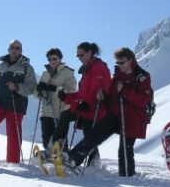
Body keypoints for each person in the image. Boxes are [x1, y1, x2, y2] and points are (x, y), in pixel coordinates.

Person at [63, 47, 153, 176]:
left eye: (122, 62)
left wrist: (124, 91)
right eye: (118, 63)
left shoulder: (142, 76)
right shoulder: (117, 76)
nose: (119, 65)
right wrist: (103, 95)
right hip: (115, 114)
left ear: (131, 60)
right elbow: (111, 95)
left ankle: (127, 175)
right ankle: (73, 159)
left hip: (133, 118)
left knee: (125, 148)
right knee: (95, 135)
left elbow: (143, 99)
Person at [53, 42, 111, 166]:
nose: (79, 58)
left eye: (81, 55)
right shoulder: (87, 70)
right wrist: (67, 97)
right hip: (85, 108)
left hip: (95, 110)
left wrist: (90, 103)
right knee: (86, 132)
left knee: (84, 131)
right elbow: (82, 94)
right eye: (77, 56)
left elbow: (104, 90)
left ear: (90, 53)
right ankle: (91, 160)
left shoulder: (99, 68)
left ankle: (71, 156)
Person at [0, 40, 37, 164]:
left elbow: (31, 87)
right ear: (8, 49)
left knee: (13, 133)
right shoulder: (0, 65)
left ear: (21, 51)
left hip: (17, 104)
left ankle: (13, 163)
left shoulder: (26, 67)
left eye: (17, 48)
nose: (15, 50)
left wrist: (17, 87)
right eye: (12, 47)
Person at [34, 48, 77, 155]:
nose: (52, 61)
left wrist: (55, 89)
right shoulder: (45, 74)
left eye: (54, 58)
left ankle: (65, 157)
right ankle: (51, 159)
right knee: (47, 139)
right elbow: (37, 93)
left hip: (60, 110)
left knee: (60, 140)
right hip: (46, 111)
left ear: (60, 59)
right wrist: (39, 91)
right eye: (49, 59)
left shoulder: (67, 72)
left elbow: (72, 90)